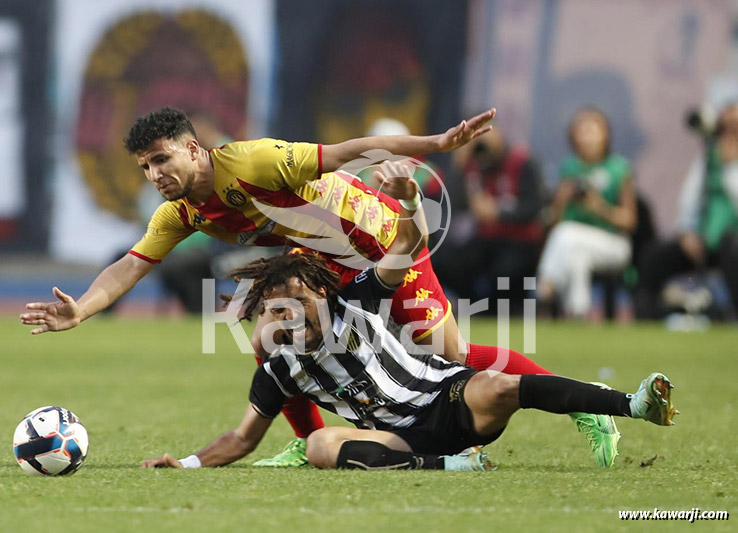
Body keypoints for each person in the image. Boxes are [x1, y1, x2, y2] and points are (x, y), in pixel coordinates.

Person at [20, 107, 611, 468]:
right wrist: (84, 310)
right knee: (271, 340)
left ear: (194, 148)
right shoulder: (179, 213)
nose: (154, 175)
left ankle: (585, 404)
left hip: (377, 236)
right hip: (318, 256)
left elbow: (351, 151)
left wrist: (435, 147)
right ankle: (310, 440)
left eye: (160, 159)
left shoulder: (254, 161)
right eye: (144, 167)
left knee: (448, 356)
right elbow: (129, 266)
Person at [139, 161, 677, 471]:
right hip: (391, 412)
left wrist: (408, 199)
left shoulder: (279, 177)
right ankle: (323, 446)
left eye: (297, 304)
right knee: (306, 418)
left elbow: (407, 237)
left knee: (463, 360)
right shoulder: (212, 208)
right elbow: (239, 436)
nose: (285, 316)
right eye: (276, 309)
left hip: (384, 248)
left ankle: (616, 405)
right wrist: (185, 463)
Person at [636, 103, 738, 319]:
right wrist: (686, 231)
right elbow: (690, 199)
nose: (730, 133)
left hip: (732, 242)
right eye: (726, 127)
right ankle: (649, 314)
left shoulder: (728, 161)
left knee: (731, 245)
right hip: (706, 240)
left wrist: (731, 167)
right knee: (654, 256)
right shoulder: (710, 156)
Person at [537, 107, 638, 318]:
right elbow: (553, 222)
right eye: (581, 130)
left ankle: (545, 288)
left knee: (566, 234)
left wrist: (599, 208)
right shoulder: (569, 168)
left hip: (613, 244)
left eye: (592, 129)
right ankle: (579, 313)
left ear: (606, 134)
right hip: (572, 245)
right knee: (576, 256)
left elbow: (630, 221)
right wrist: (561, 200)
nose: (587, 136)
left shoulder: (619, 168)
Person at [433, 127, 545, 311]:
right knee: (446, 261)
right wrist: (459, 168)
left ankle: (497, 309)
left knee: (506, 270)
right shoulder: (472, 167)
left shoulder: (522, 162)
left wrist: (498, 212)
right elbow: (450, 203)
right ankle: (476, 305)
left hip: (519, 240)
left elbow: (534, 205)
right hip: (485, 238)